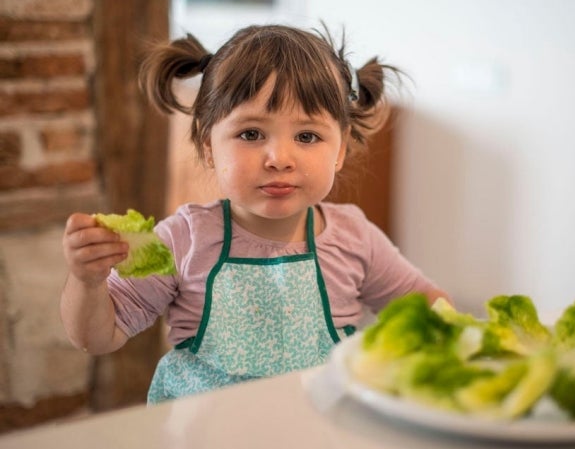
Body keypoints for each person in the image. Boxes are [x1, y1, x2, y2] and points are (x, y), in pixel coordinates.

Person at [60, 24, 450, 404]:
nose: (279, 159)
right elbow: (97, 337)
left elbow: (427, 307)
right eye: (250, 134)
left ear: (341, 148)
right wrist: (87, 281)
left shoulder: (354, 236)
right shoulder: (184, 238)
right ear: (207, 144)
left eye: (307, 136)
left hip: (317, 432)